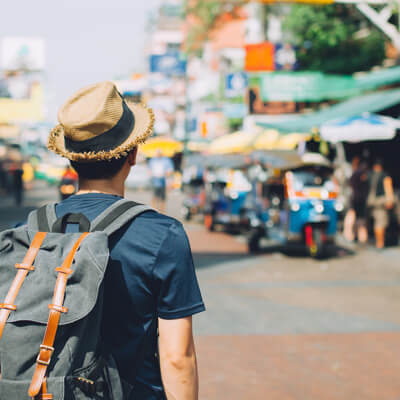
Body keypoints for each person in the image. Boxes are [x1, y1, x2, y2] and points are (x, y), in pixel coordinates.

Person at [47, 81, 204, 399]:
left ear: (72, 159)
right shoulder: (162, 235)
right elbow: (177, 357)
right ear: (132, 154)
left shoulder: (29, 231)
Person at [367, 159, 394, 249]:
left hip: (371, 202)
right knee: (380, 222)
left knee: (376, 222)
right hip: (381, 202)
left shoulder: (369, 175)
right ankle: (380, 243)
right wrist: (390, 200)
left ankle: (378, 242)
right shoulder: (384, 175)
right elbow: (388, 188)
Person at [343, 156, 369, 243]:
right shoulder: (359, 173)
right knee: (358, 217)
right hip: (359, 199)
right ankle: (358, 235)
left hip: (355, 198)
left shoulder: (354, 173)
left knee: (355, 216)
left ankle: (354, 235)